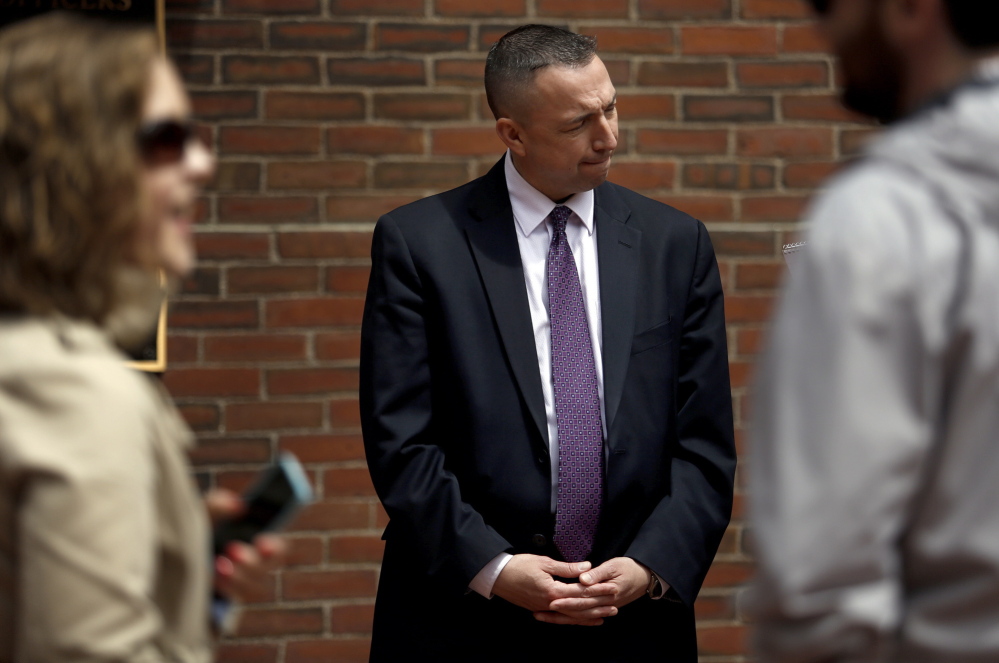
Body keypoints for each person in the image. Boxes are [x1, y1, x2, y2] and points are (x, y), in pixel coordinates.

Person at [360, 24, 736, 661]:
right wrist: (496, 568)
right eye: (578, 123)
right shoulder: (419, 245)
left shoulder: (676, 244)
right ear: (513, 133)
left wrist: (649, 566)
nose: (608, 137)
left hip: (634, 624)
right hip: (462, 620)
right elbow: (401, 442)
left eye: (611, 108)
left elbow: (704, 444)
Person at [0, 13, 283, 661]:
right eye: (166, 139)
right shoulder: (76, 392)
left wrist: (171, 561)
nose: (203, 163)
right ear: (75, 167)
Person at [750, 0, 999, 661]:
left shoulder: (878, 220)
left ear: (909, 9)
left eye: (829, 5)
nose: (823, 30)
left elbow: (817, 579)